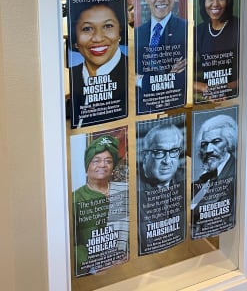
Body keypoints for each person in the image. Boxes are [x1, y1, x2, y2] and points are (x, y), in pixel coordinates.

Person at [72, 134, 128, 275]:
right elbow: (70, 246)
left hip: (127, 267)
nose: (102, 165)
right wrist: (94, 265)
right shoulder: (75, 198)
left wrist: (128, 257)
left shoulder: (125, 191)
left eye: (108, 161)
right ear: (87, 167)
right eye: (96, 161)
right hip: (94, 273)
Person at [134, 0, 187, 113]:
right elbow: (130, 74)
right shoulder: (137, 33)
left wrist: (139, 80)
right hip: (140, 107)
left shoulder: (186, 30)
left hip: (171, 107)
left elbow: (180, 81)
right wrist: (168, 76)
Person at [69, 2, 128, 126]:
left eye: (108, 26)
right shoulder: (70, 76)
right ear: (75, 39)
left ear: (120, 32)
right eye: (87, 28)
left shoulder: (134, 74)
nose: (98, 38)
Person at [137, 122, 186, 254]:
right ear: (145, 156)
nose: (167, 161)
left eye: (174, 151)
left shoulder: (186, 177)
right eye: (159, 152)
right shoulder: (131, 188)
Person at [194, 0, 239, 102]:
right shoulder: (199, 31)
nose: (215, 4)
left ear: (228, 0)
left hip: (237, 98)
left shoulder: (239, 27)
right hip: (208, 99)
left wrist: (225, 88)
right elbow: (182, 76)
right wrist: (204, 88)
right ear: (203, 1)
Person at [191, 113, 237, 237]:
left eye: (216, 142)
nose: (209, 150)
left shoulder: (236, 177)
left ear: (229, 143)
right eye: (204, 144)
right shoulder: (201, 182)